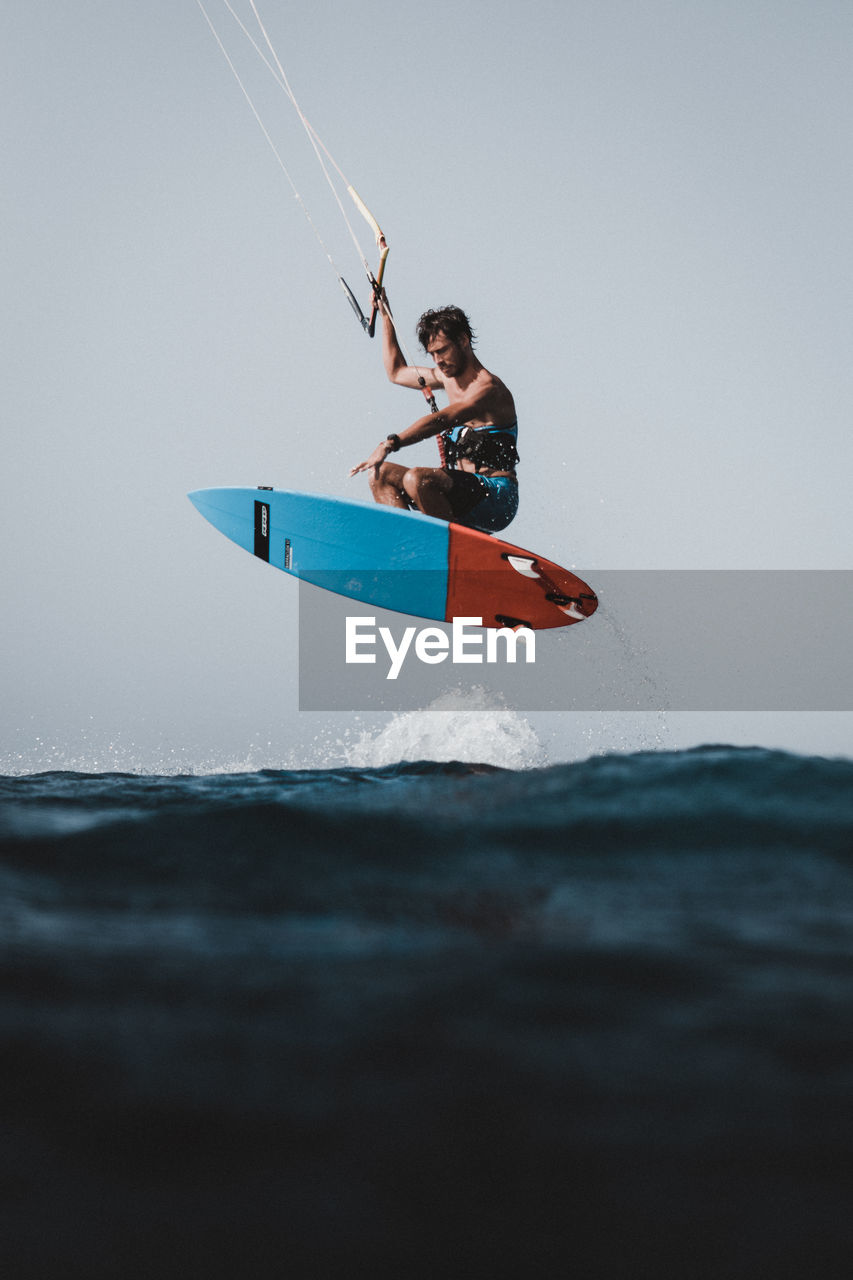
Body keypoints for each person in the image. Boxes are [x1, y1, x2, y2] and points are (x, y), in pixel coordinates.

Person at [349, 299, 519, 533]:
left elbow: (443, 419)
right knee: (380, 474)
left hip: (497, 498)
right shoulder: (444, 377)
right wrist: (386, 314)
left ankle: (449, 548)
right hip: (458, 494)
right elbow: (396, 372)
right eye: (432, 354)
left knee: (417, 479)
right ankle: (407, 547)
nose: (437, 360)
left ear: (463, 340)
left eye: (442, 351)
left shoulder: (488, 389)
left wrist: (390, 443)